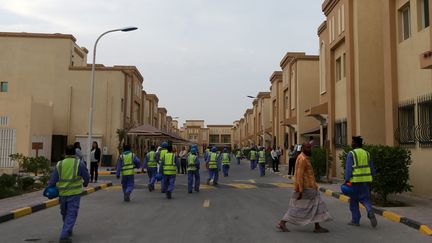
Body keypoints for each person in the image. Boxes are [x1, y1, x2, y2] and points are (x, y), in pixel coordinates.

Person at [277, 142, 331, 233]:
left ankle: (317, 226)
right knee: (298, 207)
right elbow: (299, 175)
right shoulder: (302, 159)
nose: (309, 149)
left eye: (310, 147)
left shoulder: (304, 158)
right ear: (302, 149)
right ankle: (282, 222)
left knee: (316, 206)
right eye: (307, 147)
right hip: (306, 188)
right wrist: (300, 190)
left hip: (311, 187)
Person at [47, 145, 89, 243]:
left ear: (65, 153)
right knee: (71, 213)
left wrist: (49, 188)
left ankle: (67, 230)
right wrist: (86, 183)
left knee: (64, 212)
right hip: (74, 193)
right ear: (74, 153)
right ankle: (64, 235)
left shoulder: (59, 164)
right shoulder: (79, 163)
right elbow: (86, 176)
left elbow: (53, 179)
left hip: (62, 193)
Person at [345, 136, 377, 228]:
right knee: (365, 199)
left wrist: (347, 180)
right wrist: (373, 178)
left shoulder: (351, 154)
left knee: (354, 201)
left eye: (352, 142)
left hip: (354, 181)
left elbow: (348, 169)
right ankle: (370, 210)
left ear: (355, 143)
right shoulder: (367, 153)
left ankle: (355, 220)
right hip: (365, 182)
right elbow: (371, 168)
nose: (351, 143)